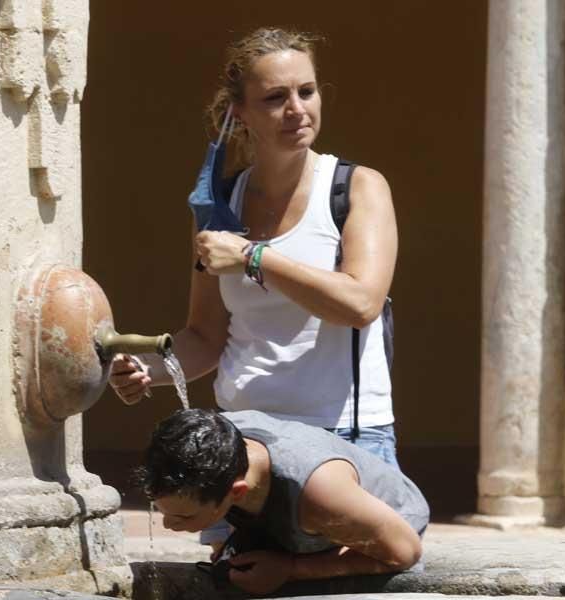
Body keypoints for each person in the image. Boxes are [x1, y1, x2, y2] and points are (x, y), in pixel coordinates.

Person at [109, 27, 399, 464]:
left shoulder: (356, 188)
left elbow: (360, 304)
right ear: (237, 112)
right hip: (242, 437)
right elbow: (206, 337)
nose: (297, 109)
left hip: (344, 436)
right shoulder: (218, 206)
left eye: (307, 91)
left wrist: (252, 257)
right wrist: (149, 371)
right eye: (275, 98)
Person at [139, 409, 429, 596]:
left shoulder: (320, 496)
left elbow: (404, 554)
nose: (168, 525)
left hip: (385, 529)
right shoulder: (214, 440)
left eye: (184, 518)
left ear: (237, 493)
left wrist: (290, 569)